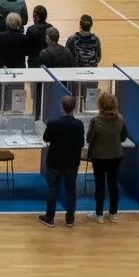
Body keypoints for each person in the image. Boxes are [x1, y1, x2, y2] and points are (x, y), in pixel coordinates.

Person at [38, 94, 85, 228]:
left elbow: (46, 138)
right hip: (72, 163)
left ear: (61, 107)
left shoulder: (53, 123)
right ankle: (70, 219)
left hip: (55, 162)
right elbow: (81, 143)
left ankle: (50, 218)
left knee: (53, 189)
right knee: (71, 190)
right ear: (74, 108)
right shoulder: (79, 124)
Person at [86, 89, 127, 222]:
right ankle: (113, 214)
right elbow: (123, 137)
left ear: (100, 105)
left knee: (100, 184)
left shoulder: (95, 121)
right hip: (116, 155)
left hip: (98, 156)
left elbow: (89, 139)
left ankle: (99, 215)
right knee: (113, 184)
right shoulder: (120, 119)